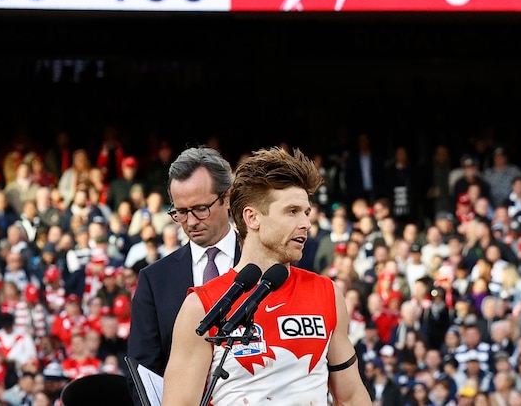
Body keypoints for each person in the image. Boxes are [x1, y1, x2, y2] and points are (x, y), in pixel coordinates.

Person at [161, 146, 371, 405]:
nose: (305, 223)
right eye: (292, 211)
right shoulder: (202, 306)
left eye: (306, 212)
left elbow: (351, 397)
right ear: (252, 218)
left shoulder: (327, 292)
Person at [127, 146, 241, 379]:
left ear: (227, 198)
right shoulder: (154, 280)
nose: (190, 222)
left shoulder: (266, 267)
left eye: (201, 209)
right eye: (180, 212)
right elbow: (143, 371)